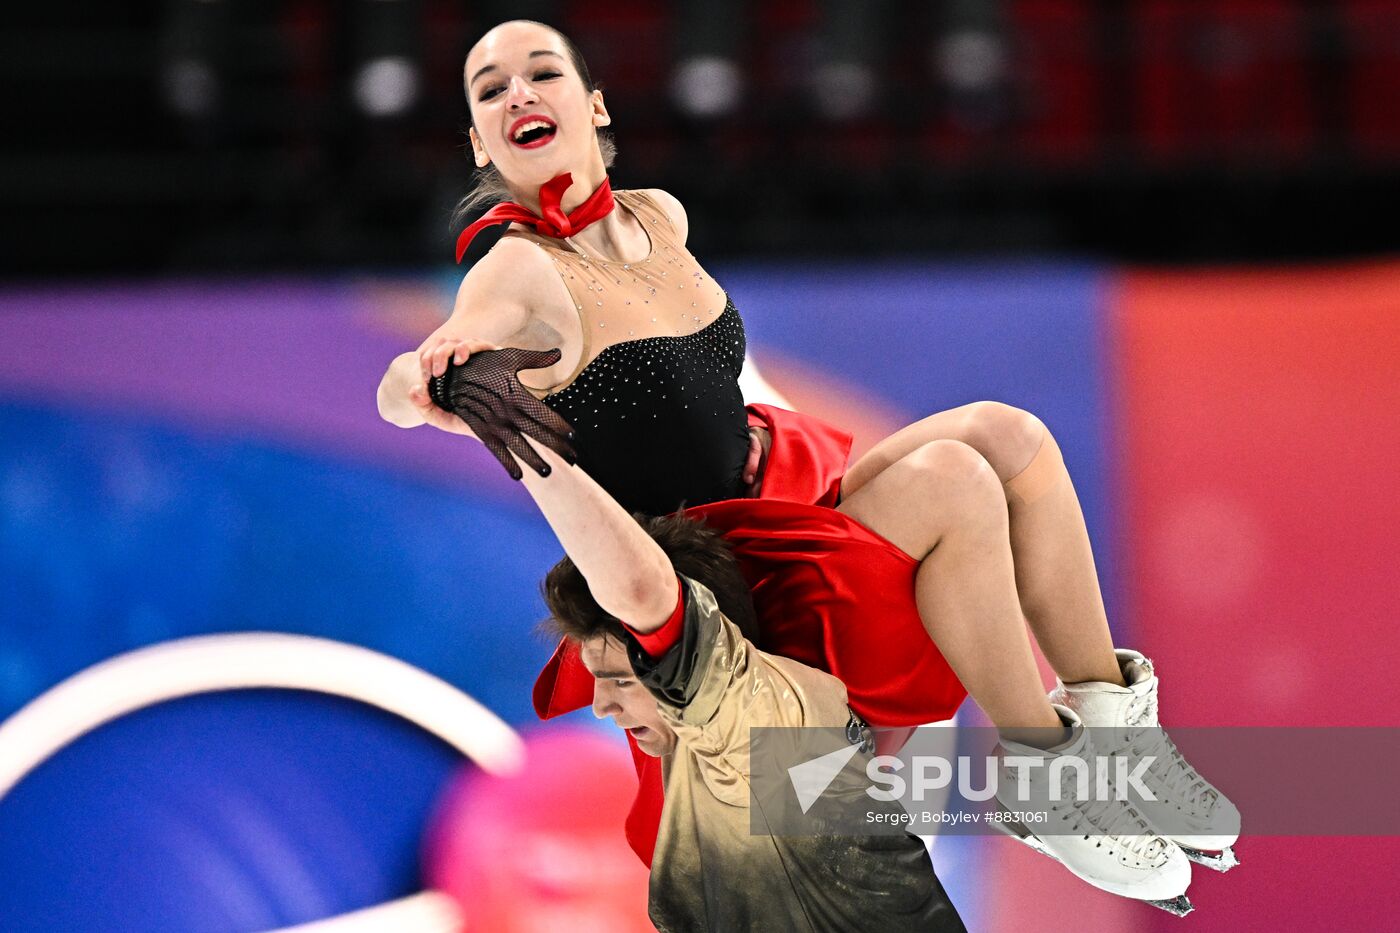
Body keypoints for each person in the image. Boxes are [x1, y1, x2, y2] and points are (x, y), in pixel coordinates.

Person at [381, 18, 1239, 910]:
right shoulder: (513, 269)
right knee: (953, 480)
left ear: (592, 103)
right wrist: (434, 376)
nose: (517, 92)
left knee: (1009, 435)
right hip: (726, 591)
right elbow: (405, 386)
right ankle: (1047, 773)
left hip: (781, 499)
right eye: (490, 89)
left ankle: (1116, 740)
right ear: (481, 140)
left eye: (540, 72)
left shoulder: (658, 217)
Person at [478, 388, 966, 931]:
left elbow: (641, 588)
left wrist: (513, 431)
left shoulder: (758, 736)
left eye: (618, 678)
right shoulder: (723, 782)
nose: (599, 707)